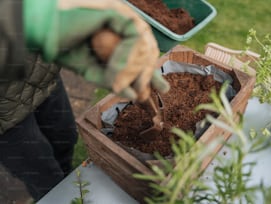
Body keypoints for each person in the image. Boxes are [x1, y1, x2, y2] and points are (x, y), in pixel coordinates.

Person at [0, 0, 169, 201]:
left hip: (43, 76)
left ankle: (66, 176)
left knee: (65, 136)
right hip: (5, 116)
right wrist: (31, 19)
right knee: (42, 172)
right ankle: (54, 193)